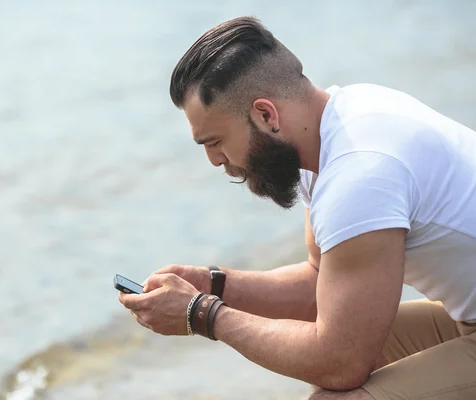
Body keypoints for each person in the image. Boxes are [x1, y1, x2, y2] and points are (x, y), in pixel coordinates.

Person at [118, 16, 476, 400]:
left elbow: (340, 362)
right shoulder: (339, 123)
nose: (214, 160)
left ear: (265, 115)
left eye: (215, 140)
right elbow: (317, 283)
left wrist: (202, 314)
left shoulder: (359, 174)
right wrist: (215, 285)